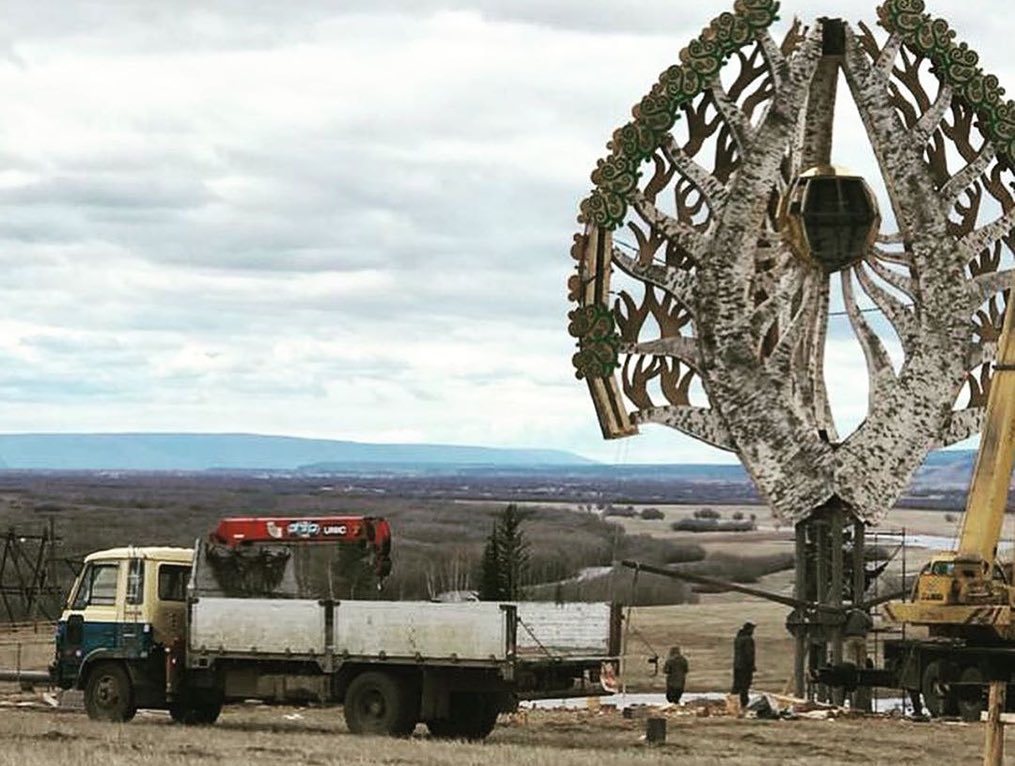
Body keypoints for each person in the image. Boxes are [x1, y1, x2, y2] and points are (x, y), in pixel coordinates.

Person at [732, 621, 756, 710]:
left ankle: (733, 704)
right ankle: (743, 704)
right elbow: (749, 654)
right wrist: (752, 666)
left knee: (736, 685)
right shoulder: (748, 639)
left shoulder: (738, 638)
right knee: (745, 686)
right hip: (745, 667)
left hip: (737, 666)